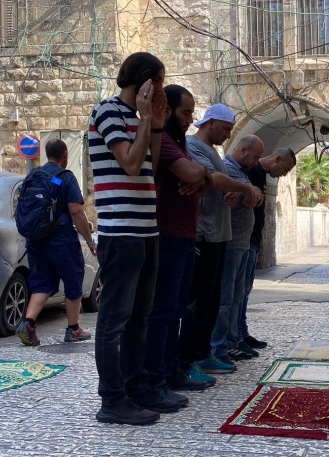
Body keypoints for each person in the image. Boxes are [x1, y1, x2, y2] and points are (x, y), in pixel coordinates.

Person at [88, 52, 167, 426]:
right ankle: (112, 400)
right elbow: (131, 164)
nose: (162, 91)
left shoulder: (137, 119)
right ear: (144, 82)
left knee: (140, 319)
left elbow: (149, 166)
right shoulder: (106, 112)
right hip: (120, 233)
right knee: (114, 320)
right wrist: (146, 118)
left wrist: (155, 125)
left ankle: (136, 389)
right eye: (160, 83)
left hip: (146, 231)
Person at [180, 106, 262, 384]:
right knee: (197, 303)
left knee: (211, 301)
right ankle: (188, 358)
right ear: (211, 123)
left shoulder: (212, 151)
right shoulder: (193, 146)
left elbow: (218, 183)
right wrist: (244, 188)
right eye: (226, 129)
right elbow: (213, 179)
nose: (228, 136)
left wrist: (230, 191)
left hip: (219, 235)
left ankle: (204, 354)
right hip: (203, 233)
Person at [143, 84, 212, 406]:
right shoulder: (167, 141)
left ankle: (171, 370)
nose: (190, 119)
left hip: (183, 237)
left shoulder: (179, 142)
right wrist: (199, 174)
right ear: (167, 110)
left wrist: (201, 177)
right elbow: (190, 173)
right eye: (186, 112)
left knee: (176, 309)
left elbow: (200, 183)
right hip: (168, 236)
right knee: (163, 312)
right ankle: (156, 378)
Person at [16, 139, 95, 346]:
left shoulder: (33, 176)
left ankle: (28, 322)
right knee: (73, 280)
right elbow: (76, 212)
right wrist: (89, 239)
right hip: (62, 241)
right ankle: (73, 329)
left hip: (36, 240)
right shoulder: (64, 178)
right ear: (65, 155)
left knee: (42, 283)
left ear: (46, 154)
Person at [210, 135, 264, 365]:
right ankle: (219, 347)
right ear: (243, 150)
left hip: (241, 243)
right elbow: (244, 192)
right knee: (225, 299)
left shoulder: (242, 172)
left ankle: (231, 341)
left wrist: (251, 193)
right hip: (231, 243)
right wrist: (247, 192)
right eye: (256, 156)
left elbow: (257, 194)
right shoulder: (228, 168)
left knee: (236, 297)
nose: (257, 161)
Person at [238, 147, 297, 355]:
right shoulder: (251, 172)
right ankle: (236, 337)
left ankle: (242, 332)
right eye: (286, 168)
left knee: (245, 291)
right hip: (244, 239)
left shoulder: (261, 175)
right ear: (277, 158)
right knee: (237, 292)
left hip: (253, 240)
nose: (285, 174)